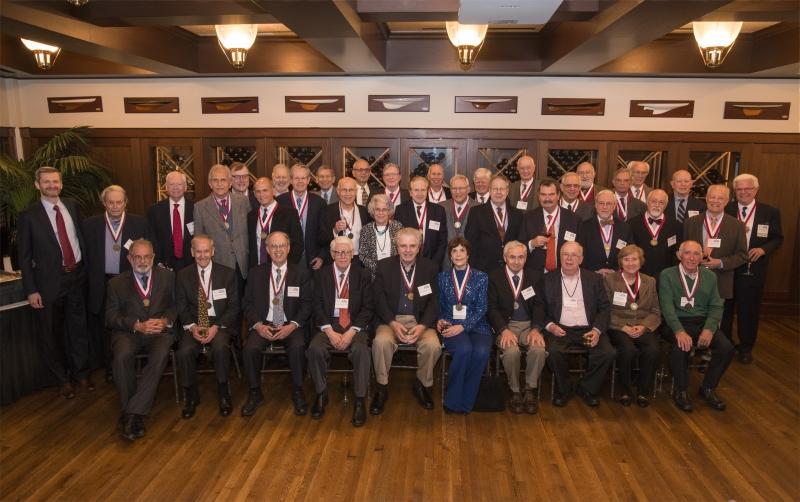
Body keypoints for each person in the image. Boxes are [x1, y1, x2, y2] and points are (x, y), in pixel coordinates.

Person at [17, 166, 91, 398]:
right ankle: (62, 379)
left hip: (76, 277)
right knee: (52, 333)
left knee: (78, 329)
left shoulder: (71, 206)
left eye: (55, 181)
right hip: (49, 283)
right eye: (47, 182)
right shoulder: (29, 216)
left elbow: (81, 239)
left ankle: (81, 374)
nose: (52, 185)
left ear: (61, 184)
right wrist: (31, 290)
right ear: (37, 185)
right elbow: (25, 257)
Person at [106, 239, 176, 441]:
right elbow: (110, 317)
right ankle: (134, 415)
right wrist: (135, 325)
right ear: (130, 258)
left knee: (160, 354)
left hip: (159, 332)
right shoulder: (116, 283)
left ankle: (130, 414)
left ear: (153, 257)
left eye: (147, 256)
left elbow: (176, 306)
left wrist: (165, 321)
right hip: (130, 333)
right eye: (138, 257)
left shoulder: (168, 277)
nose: (143, 261)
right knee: (121, 356)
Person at [241, 231, 313, 417]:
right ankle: (255, 392)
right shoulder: (256, 273)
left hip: (290, 323)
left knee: (298, 346)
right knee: (250, 349)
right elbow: (247, 304)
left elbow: (307, 304)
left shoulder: (301, 273)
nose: (278, 250)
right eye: (274, 246)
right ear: (267, 249)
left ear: (288, 248)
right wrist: (258, 325)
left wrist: (293, 325)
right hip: (264, 323)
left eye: (282, 246)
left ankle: (298, 391)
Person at [535, 241, 615, 407]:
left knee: (607, 353)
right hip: (560, 328)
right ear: (560, 256)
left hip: (589, 328)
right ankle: (564, 389)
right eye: (565, 254)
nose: (569, 259)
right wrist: (550, 326)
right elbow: (539, 307)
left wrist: (597, 330)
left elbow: (604, 308)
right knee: (553, 352)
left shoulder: (594, 279)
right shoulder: (547, 279)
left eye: (574, 255)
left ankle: (586, 388)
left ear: (581, 259)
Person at [371, 228, 441, 414]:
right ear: (397, 246)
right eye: (403, 245)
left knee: (433, 345)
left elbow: (434, 303)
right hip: (391, 321)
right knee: (381, 342)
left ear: (419, 247)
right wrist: (392, 322)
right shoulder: (384, 266)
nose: (408, 250)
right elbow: (378, 299)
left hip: (420, 321)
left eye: (412, 246)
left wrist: (423, 326)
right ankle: (382, 387)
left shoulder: (430, 268)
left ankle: (422, 385)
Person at [82, 185, 149, 379]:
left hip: (128, 282)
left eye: (119, 202)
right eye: (110, 202)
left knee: (131, 320)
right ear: (104, 203)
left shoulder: (139, 223)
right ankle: (110, 367)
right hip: (101, 282)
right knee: (106, 324)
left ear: (125, 202)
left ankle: (136, 364)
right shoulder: (90, 225)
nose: (115, 206)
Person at [659, 240, 734, 412]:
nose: (691, 258)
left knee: (726, 348)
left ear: (702, 257)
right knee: (681, 348)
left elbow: (716, 305)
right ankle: (681, 390)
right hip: (675, 321)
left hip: (702, 322)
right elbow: (667, 307)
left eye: (696, 254)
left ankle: (708, 388)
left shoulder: (710, 276)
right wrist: (679, 331)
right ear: (679, 255)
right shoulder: (667, 275)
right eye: (687, 253)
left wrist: (709, 329)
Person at [307, 237, 374, 426]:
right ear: (332, 254)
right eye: (338, 252)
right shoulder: (321, 275)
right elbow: (317, 306)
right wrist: (329, 331)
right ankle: (321, 393)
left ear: (353, 254)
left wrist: (351, 332)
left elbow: (368, 308)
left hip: (354, 325)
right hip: (330, 324)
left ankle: (360, 399)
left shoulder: (363, 275)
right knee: (315, 349)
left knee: (361, 351)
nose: (343, 256)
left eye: (346, 252)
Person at [175, 235, 239, 418]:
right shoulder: (183, 275)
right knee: (184, 351)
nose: (202, 255)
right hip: (194, 324)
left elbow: (234, 306)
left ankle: (223, 394)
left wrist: (216, 327)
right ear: (192, 252)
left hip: (219, 325)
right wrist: (193, 327)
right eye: (198, 251)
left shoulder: (227, 274)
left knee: (220, 347)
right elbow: (182, 307)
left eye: (206, 251)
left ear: (213, 251)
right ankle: (191, 395)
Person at [723, 174, 783, 363]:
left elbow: (777, 238)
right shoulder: (727, 209)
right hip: (729, 268)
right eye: (739, 189)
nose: (743, 193)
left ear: (756, 190)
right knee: (724, 308)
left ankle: (746, 347)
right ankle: (725, 344)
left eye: (747, 189)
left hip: (753, 268)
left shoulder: (769, 212)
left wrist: (763, 249)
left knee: (748, 310)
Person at [488, 241, 545, 414]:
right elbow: (491, 308)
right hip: (506, 326)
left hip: (528, 326)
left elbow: (540, 305)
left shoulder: (535, 276)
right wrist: (503, 330)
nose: (516, 261)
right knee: (512, 352)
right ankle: (514, 391)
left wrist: (536, 328)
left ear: (526, 258)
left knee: (538, 350)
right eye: (512, 257)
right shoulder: (494, 276)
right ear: (505, 258)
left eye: (521, 257)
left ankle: (529, 389)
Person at [436, 237, 492, 414]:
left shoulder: (481, 277)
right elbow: (438, 305)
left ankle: (467, 400)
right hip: (451, 325)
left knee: (481, 351)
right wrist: (440, 319)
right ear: (450, 256)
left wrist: (464, 326)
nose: (458, 254)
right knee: (463, 350)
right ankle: (453, 400)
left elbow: (482, 307)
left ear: (468, 254)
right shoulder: (442, 277)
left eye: (462, 250)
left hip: (478, 326)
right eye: (454, 251)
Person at [602, 245, 661, 407]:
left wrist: (644, 326)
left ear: (640, 262)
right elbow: (605, 310)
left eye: (634, 259)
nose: (630, 263)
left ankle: (643, 391)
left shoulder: (650, 281)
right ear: (620, 262)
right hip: (618, 326)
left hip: (643, 325)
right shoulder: (610, 280)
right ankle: (625, 390)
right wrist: (623, 326)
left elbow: (656, 311)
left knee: (653, 350)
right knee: (628, 350)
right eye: (626, 259)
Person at [683, 184, 748, 303]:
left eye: (720, 198)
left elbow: (743, 256)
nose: (715, 201)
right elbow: (681, 252)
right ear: (706, 198)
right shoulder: (690, 223)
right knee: (690, 318)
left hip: (720, 282)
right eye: (712, 197)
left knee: (714, 320)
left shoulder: (737, 226)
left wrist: (721, 263)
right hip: (691, 280)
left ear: (727, 201)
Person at [193, 164, 250, 282]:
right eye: (215, 180)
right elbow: (198, 239)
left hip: (243, 264)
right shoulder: (200, 207)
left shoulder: (243, 202)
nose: (219, 184)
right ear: (210, 183)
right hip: (218, 265)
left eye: (223, 180)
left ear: (230, 183)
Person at [518, 179, 581, 273]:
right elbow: (519, 247)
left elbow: (581, 247)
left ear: (558, 195)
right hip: (535, 274)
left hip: (564, 273)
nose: (547, 199)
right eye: (543, 195)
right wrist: (532, 243)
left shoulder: (573, 219)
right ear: (539, 197)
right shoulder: (528, 218)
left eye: (551, 194)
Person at [464, 175, 523, 273]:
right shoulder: (476, 212)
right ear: (490, 191)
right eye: (495, 189)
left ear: (507, 191)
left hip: (510, 268)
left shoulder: (517, 214)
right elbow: (470, 242)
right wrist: (473, 269)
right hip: (484, 268)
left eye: (502, 189)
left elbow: (520, 240)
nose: (499, 192)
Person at [277, 164, 327, 270]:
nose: (300, 181)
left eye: (303, 178)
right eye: (296, 178)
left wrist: (322, 257)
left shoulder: (319, 202)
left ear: (308, 180)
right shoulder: (280, 202)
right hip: (287, 258)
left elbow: (324, 233)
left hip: (313, 259)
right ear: (291, 180)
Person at [248, 177, 303, 268]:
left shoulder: (289, 213)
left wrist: (287, 267)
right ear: (254, 194)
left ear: (273, 191)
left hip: (282, 269)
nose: (261, 195)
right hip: (257, 270)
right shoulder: (251, 216)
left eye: (265, 190)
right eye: (258, 191)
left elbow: (297, 244)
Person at [628, 189, 682, 280]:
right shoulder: (631, 224)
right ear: (647, 202)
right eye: (654, 201)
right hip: (638, 274)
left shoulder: (676, 226)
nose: (657, 205)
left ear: (666, 205)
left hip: (665, 277)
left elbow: (677, 254)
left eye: (661, 202)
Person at [394, 176, 448, 266]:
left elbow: (442, 241)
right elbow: (398, 239)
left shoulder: (438, 210)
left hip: (432, 263)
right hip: (408, 262)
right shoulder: (401, 210)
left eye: (423, 190)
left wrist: (434, 264)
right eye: (416, 190)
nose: (420, 193)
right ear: (410, 192)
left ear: (427, 191)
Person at [147, 170, 195, 272]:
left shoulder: (196, 209)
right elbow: (151, 238)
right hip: (164, 265)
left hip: (191, 264)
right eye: (172, 184)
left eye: (179, 184)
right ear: (166, 188)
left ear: (185, 187)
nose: (175, 187)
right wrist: (158, 262)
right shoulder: (155, 210)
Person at [318, 177, 372, 264]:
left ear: (356, 191)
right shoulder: (327, 211)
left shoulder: (364, 211)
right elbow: (321, 238)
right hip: (335, 260)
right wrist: (335, 230)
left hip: (359, 261)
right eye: (344, 190)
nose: (348, 194)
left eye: (351, 190)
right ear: (338, 192)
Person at [578, 190, 633, 274]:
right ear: (595, 205)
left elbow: (629, 253)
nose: (605, 207)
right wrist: (594, 272)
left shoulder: (625, 227)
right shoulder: (584, 226)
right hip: (591, 275)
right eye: (601, 203)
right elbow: (580, 254)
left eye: (609, 204)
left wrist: (615, 271)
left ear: (614, 206)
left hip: (617, 277)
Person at [358, 194, 403, 279]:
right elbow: (362, 255)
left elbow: (402, 250)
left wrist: (391, 269)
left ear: (389, 211)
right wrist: (378, 268)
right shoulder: (366, 229)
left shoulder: (398, 227)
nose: (381, 213)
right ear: (372, 211)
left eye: (384, 209)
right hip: (373, 276)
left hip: (394, 274)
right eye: (377, 209)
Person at [440, 174, 475, 269]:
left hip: (471, 262)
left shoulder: (479, 208)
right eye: (454, 188)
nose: (457, 192)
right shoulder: (440, 207)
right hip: (446, 262)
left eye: (461, 188)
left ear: (468, 189)